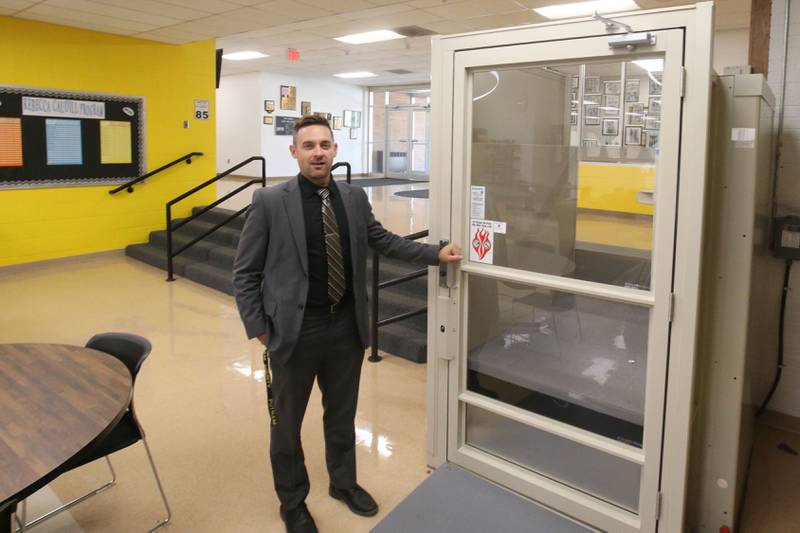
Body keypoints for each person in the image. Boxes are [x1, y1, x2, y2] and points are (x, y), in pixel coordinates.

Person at [233, 115, 463, 533]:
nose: (318, 152)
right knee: (286, 424)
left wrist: (435, 254)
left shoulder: (353, 198)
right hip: (293, 333)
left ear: (335, 150)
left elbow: (382, 241)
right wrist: (261, 328)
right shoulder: (269, 202)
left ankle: (343, 483)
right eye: (308, 146)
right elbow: (245, 273)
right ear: (294, 152)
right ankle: (293, 502)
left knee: (341, 416)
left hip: (345, 329)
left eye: (325, 144)